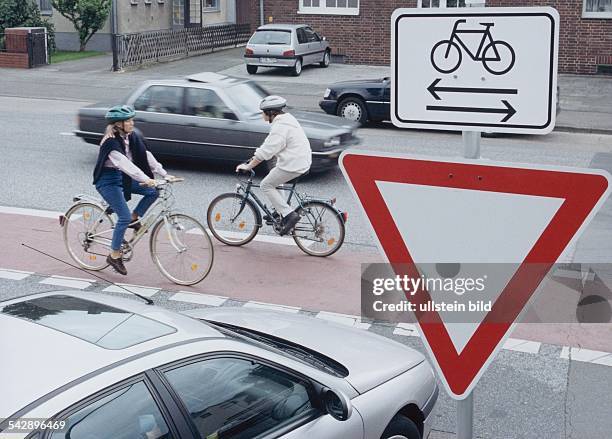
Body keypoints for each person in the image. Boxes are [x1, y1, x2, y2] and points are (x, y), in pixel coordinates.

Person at [93, 105, 176, 275]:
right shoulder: (110, 142)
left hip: (122, 178)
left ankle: (134, 218)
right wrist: (147, 179)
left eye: (132, 120)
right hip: (107, 181)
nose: (132, 123)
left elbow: (145, 155)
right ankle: (114, 255)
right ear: (118, 124)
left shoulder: (131, 137)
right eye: (128, 121)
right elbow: (126, 165)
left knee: (153, 192)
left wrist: (163, 173)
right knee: (122, 217)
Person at [236, 96, 312, 235]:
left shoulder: (280, 127)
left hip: (294, 164)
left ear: (271, 113)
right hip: (300, 160)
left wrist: (249, 166)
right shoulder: (287, 119)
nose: (262, 114)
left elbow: (266, 151)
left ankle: (289, 215)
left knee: (266, 185)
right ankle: (280, 211)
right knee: (275, 177)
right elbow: (272, 148)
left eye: (263, 112)